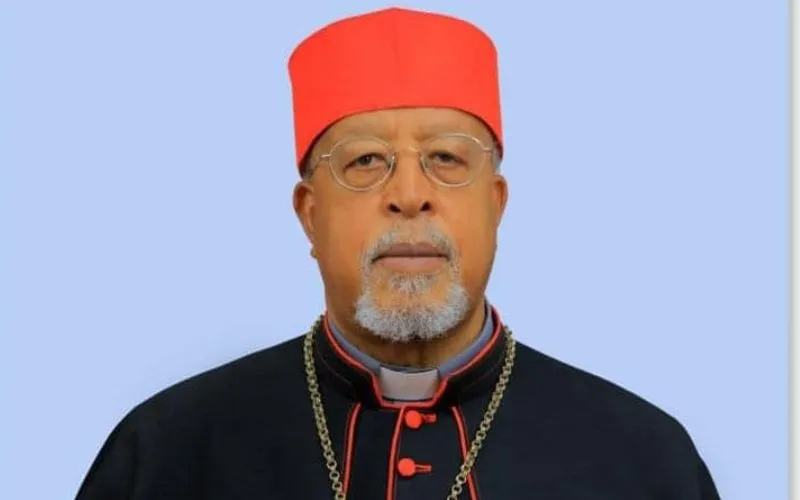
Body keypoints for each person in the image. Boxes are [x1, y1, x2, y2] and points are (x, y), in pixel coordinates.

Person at [74, 7, 721, 499]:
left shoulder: (644, 460)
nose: (410, 196)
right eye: (364, 162)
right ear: (310, 213)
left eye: (446, 159)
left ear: (496, 204)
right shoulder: (166, 455)